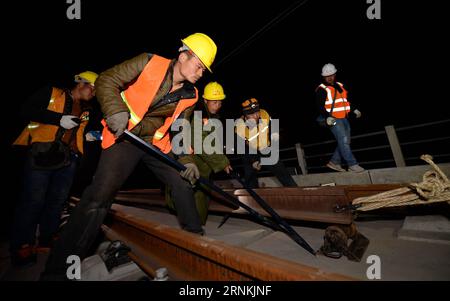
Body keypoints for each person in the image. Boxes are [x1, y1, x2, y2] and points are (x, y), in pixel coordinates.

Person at [41, 33, 217, 279]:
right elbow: (106, 80)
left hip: (155, 145)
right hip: (124, 136)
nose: (200, 72)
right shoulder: (149, 61)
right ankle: (58, 269)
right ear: (183, 55)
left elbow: (181, 130)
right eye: (198, 65)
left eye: (203, 69)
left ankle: (194, 241)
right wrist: (115, 111)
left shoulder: (192, 95)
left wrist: (186, 160)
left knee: (182, 182)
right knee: (98, 198)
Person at [11, 71, 98, 266]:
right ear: (81, 84)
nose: (94, 94)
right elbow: (26, 110)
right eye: (93, 89)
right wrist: (57, 119)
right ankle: (22, 244)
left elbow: (78, 133)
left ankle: (45, 240)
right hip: (42, 153)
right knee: (33, 199)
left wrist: (88, 138)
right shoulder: (52, 92)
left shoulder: (86, 109)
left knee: (57, 200)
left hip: (68, 158)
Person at [167, 81, 232, 225]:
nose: (218, 105)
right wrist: (222, 162)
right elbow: (200, 141)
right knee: (197, 197)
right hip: (194, 163)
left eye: (219, 102)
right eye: (214, 102)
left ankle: (195, 225)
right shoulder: (198, 115)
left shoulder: (212, 117)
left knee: (202, 195)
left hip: (204, 165)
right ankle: (195, 229)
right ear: (205, 100)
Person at [236, 98, 297, 188]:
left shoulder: (264, 114)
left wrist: (275, 135)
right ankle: (251, 197)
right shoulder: (239, 127)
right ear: (246, 115)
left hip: (266, 149)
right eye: (252, 114)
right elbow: (242, 148)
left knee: (282, 171)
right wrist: (254, 160)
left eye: (257, 112)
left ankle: (294, 191)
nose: (256, 116)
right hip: (251, 152)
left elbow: (273, 126)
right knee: (250, 176)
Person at [316, 63, 365, 173]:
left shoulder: (340, 85)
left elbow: (344, 101)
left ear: (335, 74)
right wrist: (327, 117)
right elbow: (320, 106)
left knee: (345, 141)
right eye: (327, 76)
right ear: (323, 77)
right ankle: (352, 164)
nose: (330, 77)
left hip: (343, 117)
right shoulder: (322, 89)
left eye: (332, 75)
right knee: (343, 140)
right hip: (333, 119)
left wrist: (354, 109)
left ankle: (335, 162)